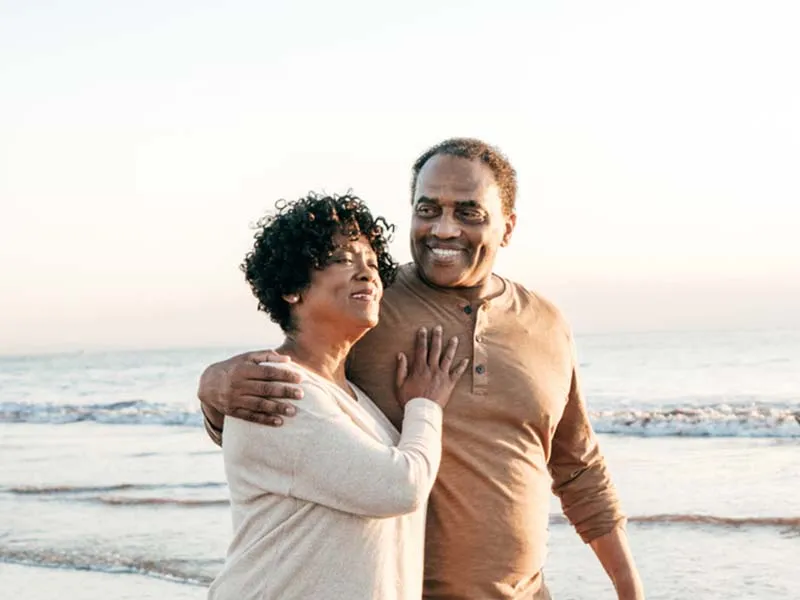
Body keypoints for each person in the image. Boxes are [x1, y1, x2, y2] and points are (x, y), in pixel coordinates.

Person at [200, 139, 645, 599]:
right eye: (428, 209)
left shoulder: (546, 323)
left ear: (507, 228)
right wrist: (214, 387)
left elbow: (577, 466)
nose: (444, 229)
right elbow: (286, 400)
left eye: (468, 213)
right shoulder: (369, 305)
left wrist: (629, 587)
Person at [207, 192, 469, 600]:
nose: (368, 275)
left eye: (373, 264)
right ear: (293, 287)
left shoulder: (354, 400)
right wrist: (426, 404)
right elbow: (401, 487)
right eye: (344, 260)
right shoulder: (277, 389)